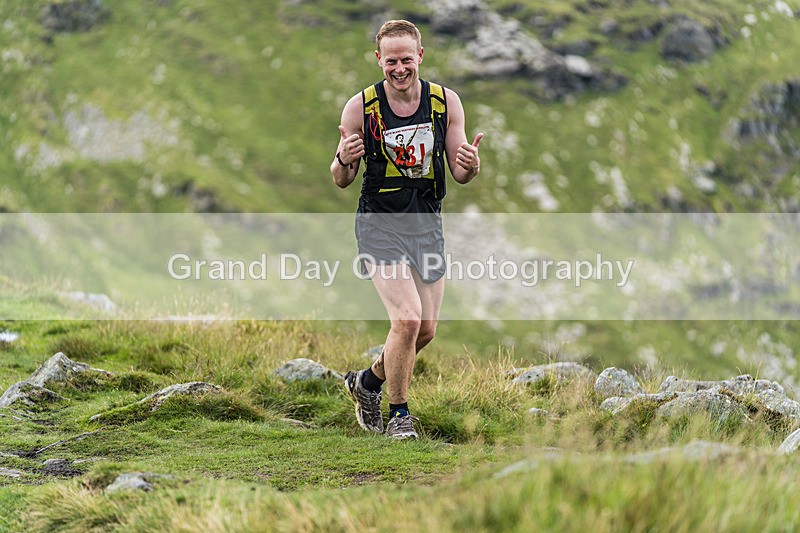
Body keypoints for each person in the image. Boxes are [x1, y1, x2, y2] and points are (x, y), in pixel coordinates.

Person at [330, 20, 482, 440]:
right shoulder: (361, 108)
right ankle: (399, 416)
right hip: (380, 223)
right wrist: (344, 159)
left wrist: (470, 166)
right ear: (379, 59)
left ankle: (368, 382)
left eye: (407, 60)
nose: (399, 69)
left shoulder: (444, 103)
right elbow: (341, 179)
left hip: (426, 222)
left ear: (421, 56)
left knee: (426, 329)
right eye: (391, 61)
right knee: (407, 320)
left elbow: (460, 171)